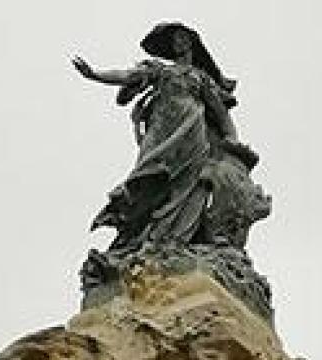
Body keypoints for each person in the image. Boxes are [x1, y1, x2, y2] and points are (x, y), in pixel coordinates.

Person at [72, 23, 250, 250]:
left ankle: (175, 240)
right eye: (175, 39)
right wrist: (95, 74)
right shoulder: (160, 70)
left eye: (184, 38)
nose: (180, 43)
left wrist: (232, 143)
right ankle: (140, 233)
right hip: (162, 130)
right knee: (148, 174)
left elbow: (220, 113)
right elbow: (127, 76)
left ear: (192, 44)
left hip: (192, 132)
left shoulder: (200, 78)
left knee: (189, 184)